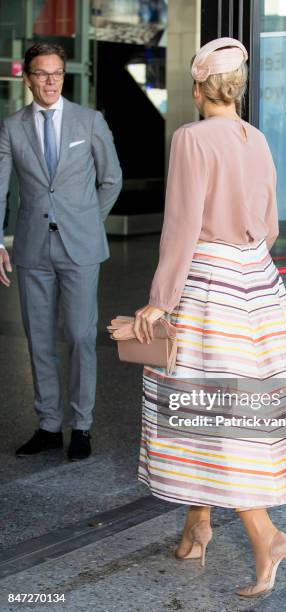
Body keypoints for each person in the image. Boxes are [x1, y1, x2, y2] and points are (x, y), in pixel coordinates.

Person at [132, 37, 286, 598]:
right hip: (260, 287)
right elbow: (269, 225)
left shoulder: (191, 138)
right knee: (233, 407)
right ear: (236, 88)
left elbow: (182, 225)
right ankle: (198, 525)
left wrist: (160, 298)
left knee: (210, 410)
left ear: (197, 89)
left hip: (210, 288)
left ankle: (267, 539)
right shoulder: (257, 138)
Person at [0, 43, 122, 461]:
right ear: (28, 78)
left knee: (80, 335)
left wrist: (87, 221)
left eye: (57, 74)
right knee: (38, 340)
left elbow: (111, 180)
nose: (50, 81)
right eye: (42, 74)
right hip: (33, 247)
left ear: (63, 77)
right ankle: (49, 425)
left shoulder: (89, 122)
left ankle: (81, 425)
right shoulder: (12, 126)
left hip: (81, 248)